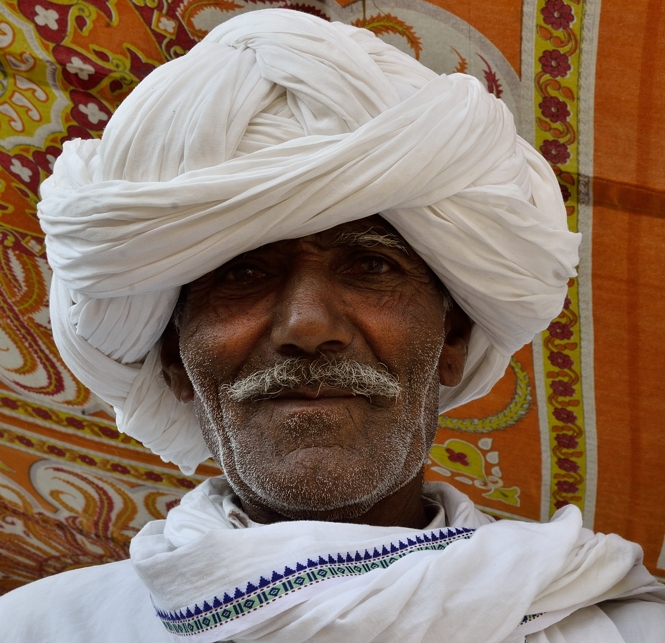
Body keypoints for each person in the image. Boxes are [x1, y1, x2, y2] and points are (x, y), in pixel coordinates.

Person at [1, 8, 664, 642]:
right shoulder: (39, 627)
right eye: (241, 275)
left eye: (370, 266)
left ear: (452, 340)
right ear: (172, 355)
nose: (308, 326)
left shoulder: (620, 629)